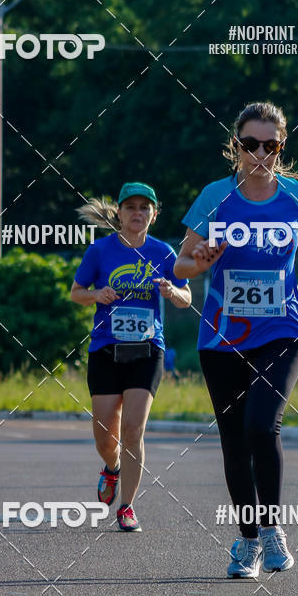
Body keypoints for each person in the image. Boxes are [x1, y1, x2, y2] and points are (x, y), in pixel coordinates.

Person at [174, 100, 298, 578]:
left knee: (262, 426)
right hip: (222, 337)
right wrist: (199, 261)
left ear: (281, 147)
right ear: (236, 146)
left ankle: (272, 529)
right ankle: (247, 541)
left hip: (281, 330)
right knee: (233, 439)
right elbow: (180, 266)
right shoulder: (215, 197)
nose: (259, 152)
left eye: (269, 144)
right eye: (250, 144)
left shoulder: (297, 196)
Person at [71, 182, 191, 532]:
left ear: (154, 214)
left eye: (145, 208)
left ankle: (127, 506)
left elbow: (187, 298)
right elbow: (76, 293)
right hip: (106, 349)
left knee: (134, 429)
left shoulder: (164, 253)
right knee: (105, 437)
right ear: (119, 213)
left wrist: (173, 291)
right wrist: (97, 295)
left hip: (147, 349)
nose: (137, 213)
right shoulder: (99, 251)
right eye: (131, 207)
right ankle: (112, 468)